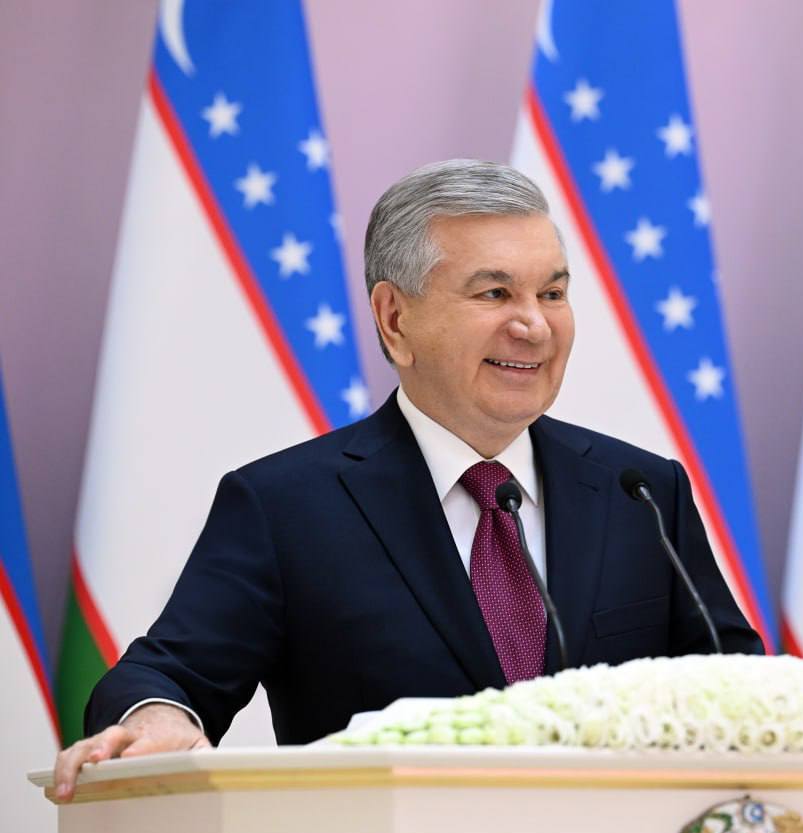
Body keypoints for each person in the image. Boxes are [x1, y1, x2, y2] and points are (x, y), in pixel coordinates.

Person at [53, 159, 762, 800]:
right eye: (495, 292)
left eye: (552, 292)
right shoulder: (285, 506)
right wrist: (157, 719)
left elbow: (746, 688)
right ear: (395, 319)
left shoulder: (640, 491)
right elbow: (166, 674)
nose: (534, 326)